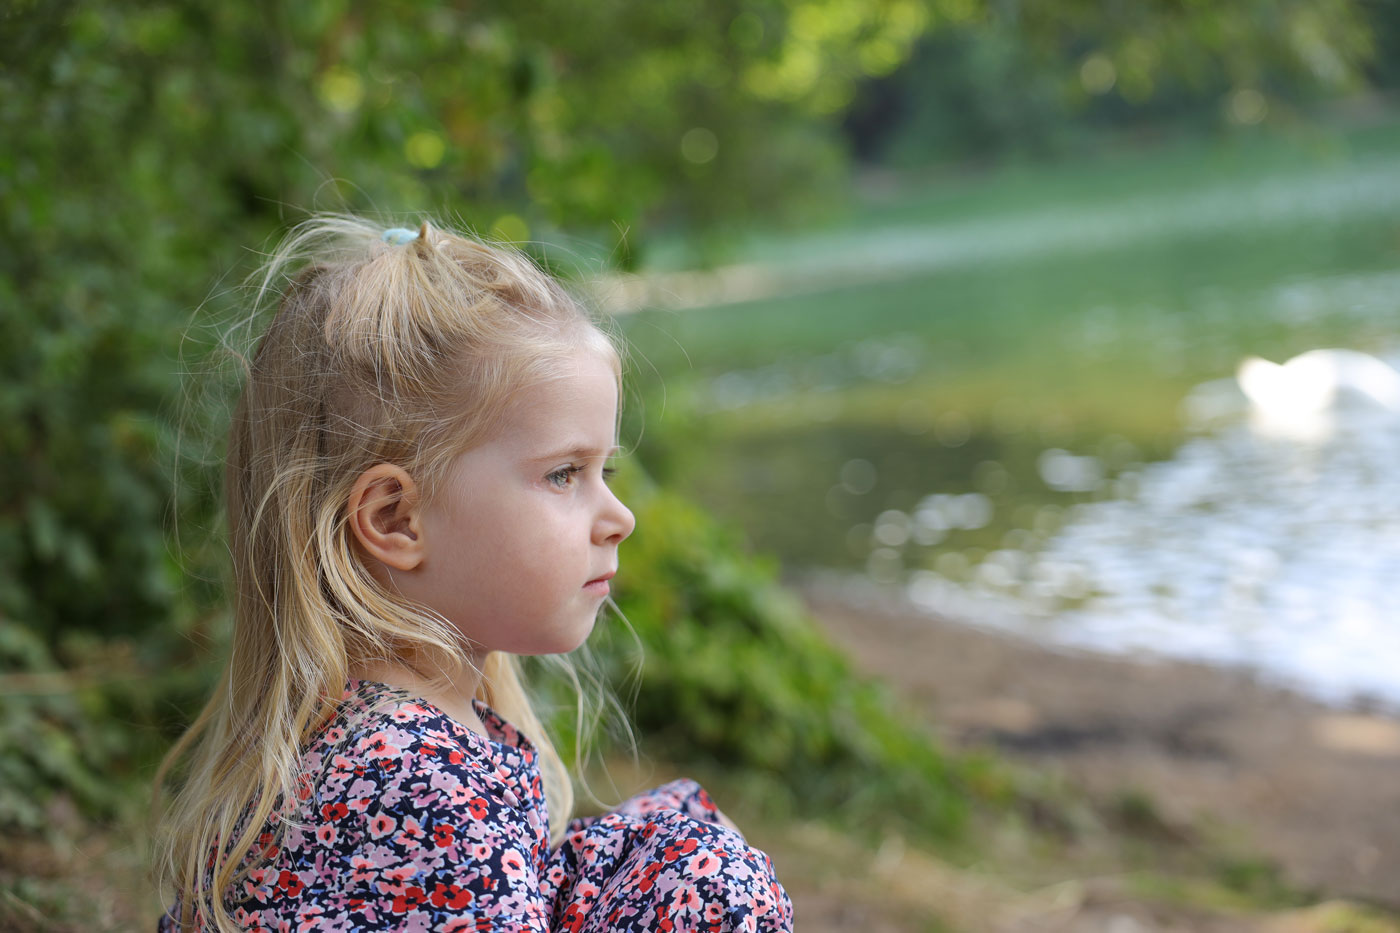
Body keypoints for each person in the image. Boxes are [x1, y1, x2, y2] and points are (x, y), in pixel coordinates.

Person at [152, 216, 794, 932]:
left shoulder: (394, 742)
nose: (620, 517)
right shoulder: (411, 783)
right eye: (564, 473)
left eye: (604, 472)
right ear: (396, 518)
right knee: (708, 876)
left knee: (675, 843)